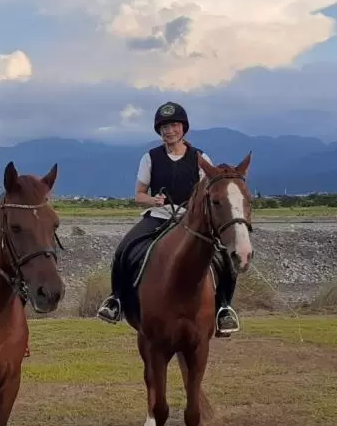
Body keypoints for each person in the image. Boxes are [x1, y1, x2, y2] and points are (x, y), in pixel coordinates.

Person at [96, 101, 241, 336]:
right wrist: (153, 200)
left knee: (224, 255)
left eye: (174, 125)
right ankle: (116, 300)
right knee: (125, 248)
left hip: (191, 220)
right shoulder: (150, 157)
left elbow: (212, 192)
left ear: (183, 128)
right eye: (163, 126)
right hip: (160, 216)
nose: (168, 131)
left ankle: (223, 307)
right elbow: (139, 195)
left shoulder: (200, 158)